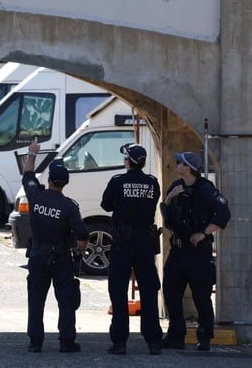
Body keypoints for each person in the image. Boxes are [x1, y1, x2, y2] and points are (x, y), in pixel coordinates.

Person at [22, 139, 88, 354]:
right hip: (61, 259)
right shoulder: (69, 207)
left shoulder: (36, 195)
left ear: (49, 179)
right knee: (66, 301)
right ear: (65, 183)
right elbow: (82, 235)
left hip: (38, 255)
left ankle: (35, 342)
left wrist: (32, 153)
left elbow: (28, 176)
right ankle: (66, 342)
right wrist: (79, 250)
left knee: (36, 301)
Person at [160, 151, 231, 351]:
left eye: (179, 162)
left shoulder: (206, 190)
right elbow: (168, 218)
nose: (175, 164)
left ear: (187, 168)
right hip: (179, 249)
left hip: (198, 251)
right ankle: (175, 336)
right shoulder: (176, 187)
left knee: (201, 295)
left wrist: (204, 233)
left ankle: (205, 337)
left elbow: (223, 214)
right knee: (171, 291)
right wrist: (168, 200)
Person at [101, 143, 164, 355]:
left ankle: (119, 342)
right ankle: (153, 341)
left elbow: (106, 205)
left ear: (127, 161)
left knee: (118, 289)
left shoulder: (118, 182)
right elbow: (153, 201)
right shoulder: (152, 183)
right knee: (149, 290)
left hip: (123, 242)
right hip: (145, 242)